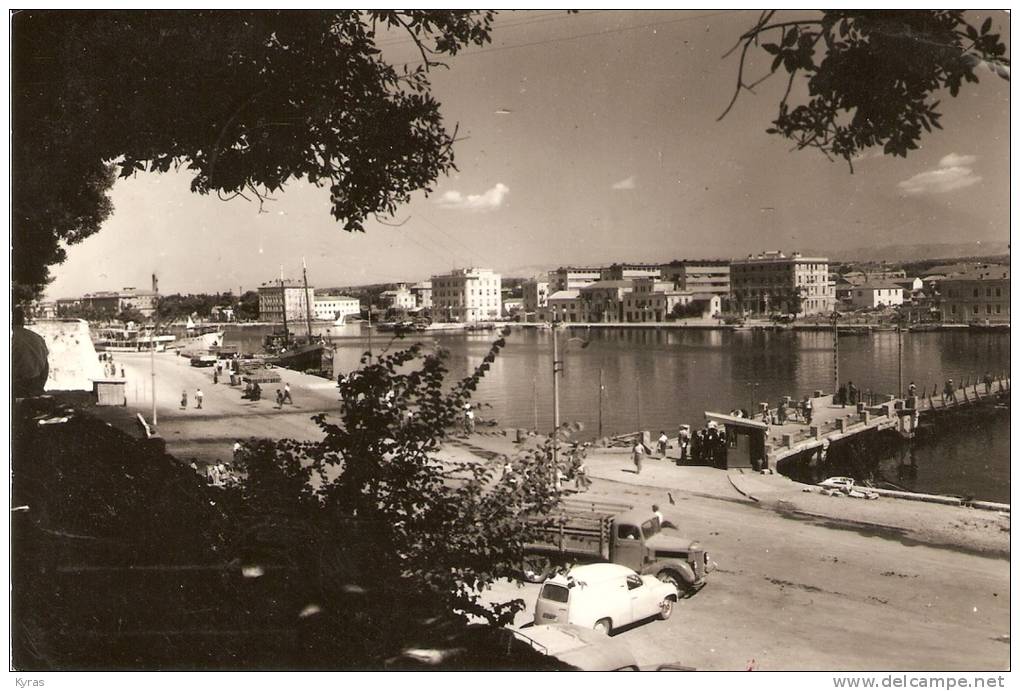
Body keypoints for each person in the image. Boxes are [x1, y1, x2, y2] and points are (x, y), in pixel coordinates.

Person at [12, 305, 49, 398]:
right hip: (35, 386)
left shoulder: (13, 337)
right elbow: (45, 367)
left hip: (17, 388)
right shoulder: (37, 337)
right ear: (23, 320)